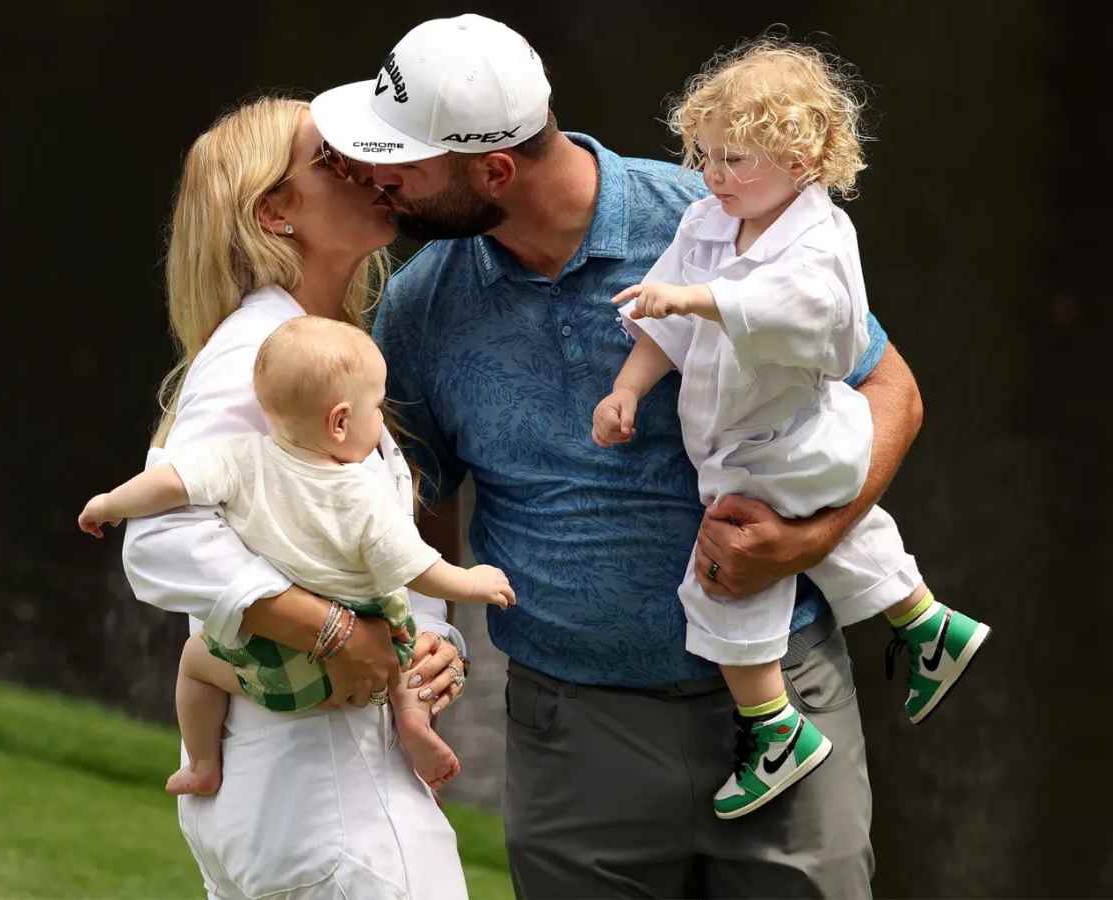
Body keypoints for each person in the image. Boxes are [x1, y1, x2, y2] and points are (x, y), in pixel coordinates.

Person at [312, 13, 922, 897]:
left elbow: (890, 390)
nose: (381, 181)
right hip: (572, 738)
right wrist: (426, 628)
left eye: (402, 164)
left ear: (493, 170)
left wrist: (816, 536)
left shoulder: (715, 219)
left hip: (781, 703)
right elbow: (413, 501)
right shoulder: (419, 307)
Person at [592, 40, 991, 819]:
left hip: (791, 440)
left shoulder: (821, 240)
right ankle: (927, 623)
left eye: (737, 159)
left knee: (724, 571)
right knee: (832, 528)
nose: (714, 175)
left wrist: (702, 301)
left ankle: (776, 730)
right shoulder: (710, 221)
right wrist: (626, 388)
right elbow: (662, 316)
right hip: (762, 443)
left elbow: (814, 319)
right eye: (705, 156)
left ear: (803, 157)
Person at [120, 96, 469, 900]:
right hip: (328, 799)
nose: (372, 171)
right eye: (334, 161)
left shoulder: (316, 347)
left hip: (299, 792)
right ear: (275, 210)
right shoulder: (259, 353)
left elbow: (346, 532)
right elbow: (158, 541)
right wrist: (340, 632)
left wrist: (435, 639)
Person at [83, 315, 515, 795]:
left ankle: (202, 764)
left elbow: (171, 482)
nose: (382, 419)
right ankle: (412, 718)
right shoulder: (361, 494)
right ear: (340, 422)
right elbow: (417, 568)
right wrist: (473, 582)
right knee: (402, 646)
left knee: (194, 662)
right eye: (378, 407)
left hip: (280, 667)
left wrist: (109, 503)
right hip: (366, 656)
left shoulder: (241, 458)